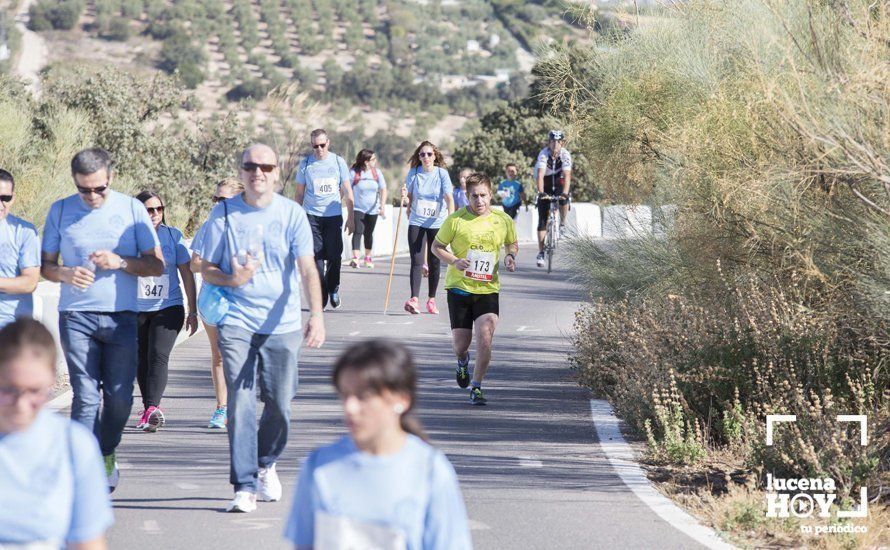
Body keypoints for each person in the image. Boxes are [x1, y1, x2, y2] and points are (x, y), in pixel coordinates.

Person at [200, 144, 326, 513]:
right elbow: (202, 266)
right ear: (241, 171)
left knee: (280, 403)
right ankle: (243, 484)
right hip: (237, 320)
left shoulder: (291, 214)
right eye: (250, 166)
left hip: (282, 324)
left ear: (276, 172)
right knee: (239, 400)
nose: (258, 172)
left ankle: (265, 462)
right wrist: (230, 277)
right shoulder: (223, 213)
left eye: (265, 167)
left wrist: (316, 314)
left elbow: (306, 268)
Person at [41, 147, 164, 492]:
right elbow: (46, 267)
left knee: (120, 399)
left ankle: (106, 451)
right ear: (74, 183)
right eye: (85, 189)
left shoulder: (132, 209)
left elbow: (156, 265)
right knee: (85, 396)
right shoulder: (61, 210)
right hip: (76, 316)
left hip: (122, 317)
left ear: (110, 177)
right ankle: (83, 471)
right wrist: (65, 273)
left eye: (100, 189)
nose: (93, 196)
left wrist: (121, 262)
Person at [284, 340, 472, 550]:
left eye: (363, 396)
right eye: (345, 395)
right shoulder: (318, 466)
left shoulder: (430, 470)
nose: (350, 407)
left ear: (401, 399)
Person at [0, 319, 114, 549]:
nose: (22, 404)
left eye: (34, 391)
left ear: (52, 380)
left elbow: (88, 542)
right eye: (9, 389)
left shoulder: (74, 445)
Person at [432, 173, 518, 405]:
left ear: (491, 195)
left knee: (485, 338)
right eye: (474, 196)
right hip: (459, 288)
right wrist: (453, 261)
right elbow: (436, 246)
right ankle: (462, 361)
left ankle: (477, 386)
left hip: (488, 289)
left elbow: (512, 242)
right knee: (461, 344)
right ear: (467, 196)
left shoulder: (503, 220)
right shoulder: (456, 220)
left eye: (483, 196)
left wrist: (510, 256)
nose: (479, 201)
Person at [134, 190, 198, 433]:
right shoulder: (128, 238)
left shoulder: (173, 236)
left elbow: (187, 272)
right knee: (141, 358)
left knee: (158, 355)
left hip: (168, 306)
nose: (155, 214)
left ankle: (152, 408)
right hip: (136, 308)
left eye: (159, 209)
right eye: (149, 210)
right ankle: (147, 407)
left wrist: (193, 310)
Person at [191, 178, 244, 429]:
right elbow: (194, 263)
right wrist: (218, 266)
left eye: (222, 199)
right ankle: (222, 408)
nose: (217, 204)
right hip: (213, 298)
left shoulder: (250, 226)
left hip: (244, 299)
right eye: (215, 199)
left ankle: (241, 405)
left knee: (243, 355)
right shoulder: (208, 226)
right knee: (220, 356)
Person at [294, 128, 355, 309]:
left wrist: (351, 218)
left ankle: (333, 287)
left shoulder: (338, 162)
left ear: (328, 143)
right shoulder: (306, 164)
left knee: (335, 257)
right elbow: (299, 194)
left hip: (333, 215)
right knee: (317, 259)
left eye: (322, 145)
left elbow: (348, 191)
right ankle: (321, 297)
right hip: (311, 216)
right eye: (315, 146)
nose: (319, 149)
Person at [403, 141, 455, 315]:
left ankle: (431, 300)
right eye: (422, 154)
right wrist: (405, 199)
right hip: (417, 221)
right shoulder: (414, 173)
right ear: (419, 157)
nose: (426, 157)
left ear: (435, 156)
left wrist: (451, 218)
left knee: (434, 262)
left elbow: (448, 197)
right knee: (416, 261)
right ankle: (414, 299)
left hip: (437, 222)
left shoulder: (442, 174)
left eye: (429, 154)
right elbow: (408, 194)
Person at [0, 169, 40, 329]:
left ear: (13, 198)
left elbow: (30, 282)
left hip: (10, 327)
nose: (1, 204)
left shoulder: (25, 231)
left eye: (5, 198)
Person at [534, 130, 572, 267]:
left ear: (562, 143)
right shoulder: (543, 154)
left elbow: (567, 176)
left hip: (560, 180)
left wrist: (566, 193)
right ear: (549, 142)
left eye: (558, 142)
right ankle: (541, 252)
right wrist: (541, 192)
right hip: (547, 182)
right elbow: (540, 175)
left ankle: (562, 223)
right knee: (542, 220)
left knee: (563, 199)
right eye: (552, 141)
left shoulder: (565, 154)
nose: (555, 144)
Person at [348, 149, 387, 269]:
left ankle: (368, 257)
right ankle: (355, 258)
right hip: (358, 208)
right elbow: (346, 188)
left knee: (368, 233)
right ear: (366, 162)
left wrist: (382, 205)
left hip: (373, 209)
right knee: (358, 231)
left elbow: (383, 189)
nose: (375, 161)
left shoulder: (377, 173)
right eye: (373, 159)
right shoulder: (354, 173)